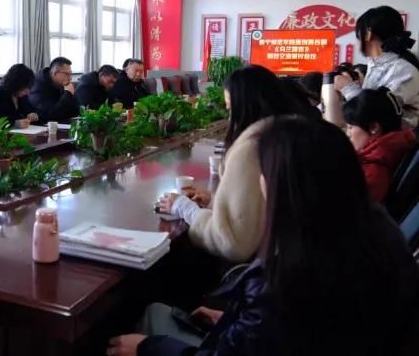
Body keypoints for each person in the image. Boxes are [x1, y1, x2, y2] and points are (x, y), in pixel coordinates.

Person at [111, 117, 419, 356]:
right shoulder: (373, 224)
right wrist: (238, 321)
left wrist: (147, 348)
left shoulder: (290, 273)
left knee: (149, 318)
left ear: (284, 182)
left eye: (261, 170)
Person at [157, 66, 316, 262]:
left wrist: (183, 207)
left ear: (246, 107)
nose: (229, 118)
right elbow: (260, 208)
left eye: (231, 109)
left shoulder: (251, 148)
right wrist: (217, 203)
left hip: (269, 268)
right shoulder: (292, 134)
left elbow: (232, 242)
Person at [335, 6, 419, 128]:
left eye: (358, 36)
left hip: (398, 139)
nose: (357, 42)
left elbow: (375, 116)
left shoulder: (402, 69)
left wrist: (349, 88)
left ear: (368, 34)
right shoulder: (376, 64)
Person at [344, 87, 418, 202]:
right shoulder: (381, 155)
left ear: (374, 127)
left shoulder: (373, 174)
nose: (347, 134)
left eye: (350, 127)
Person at [0, 63, 39, 128]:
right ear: (16, 83)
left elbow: (30, 110)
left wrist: (34, 115)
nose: (28, 92)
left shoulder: (22, 96)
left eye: (29, 87)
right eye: (25, 87)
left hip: (20, 132)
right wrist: (15, 124)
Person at [29, 56, 80, 123]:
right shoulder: (38, 84)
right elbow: (50, 114)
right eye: (67, 74)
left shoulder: (61, 84)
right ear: (54, 73)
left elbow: (75, 111)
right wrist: (68, 94)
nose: (70, 78)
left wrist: (69, 95)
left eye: (70, 74)